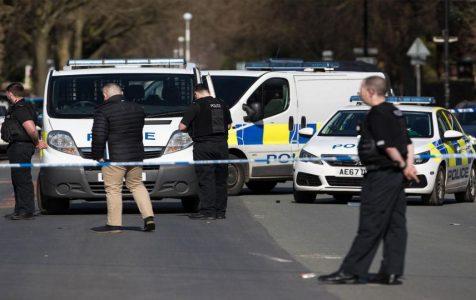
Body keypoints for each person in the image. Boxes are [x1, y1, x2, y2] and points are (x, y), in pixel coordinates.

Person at [318, 76, 419, 285]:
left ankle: (351, 271)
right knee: (395, 224)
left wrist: (401, 164)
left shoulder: (377, 114)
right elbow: (408, 143)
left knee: (370, 224)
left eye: (361, 89)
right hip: (396, 178)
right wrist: (409, 166)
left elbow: (387, 145)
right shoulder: (395, 111)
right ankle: (391, 272)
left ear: (371, 91)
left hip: (381, 175)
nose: (359, 92)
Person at [91, 83, 155, 233]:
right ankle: (149, 217)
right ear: (121, 93)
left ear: (106, 95)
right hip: (136, 155)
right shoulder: (137, 108)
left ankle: (114, 224)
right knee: (137, 185)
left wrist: (97, 155)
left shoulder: (103, 110)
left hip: (114, 157)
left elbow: (99, 135)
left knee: (113, 189)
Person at [179, 84, 232, 220]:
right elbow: (229, 125)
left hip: (204, 147)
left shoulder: (196, 105)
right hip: (221, 146)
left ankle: (207, 211)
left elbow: (182, 127)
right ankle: (220, 212)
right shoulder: (222, 103)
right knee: (221, 180)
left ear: (196, 93)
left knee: (206, 179)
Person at [2, 83, 47, 220]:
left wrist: (37, 142)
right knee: (17, 179)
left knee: (22, 180)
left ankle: (26, 210)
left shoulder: (21, 108)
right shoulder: (19, 107)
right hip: (17, 146)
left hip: (21, 147)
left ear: (10, 93)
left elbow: (31, 129)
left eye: (7, 94)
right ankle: (19, 209)